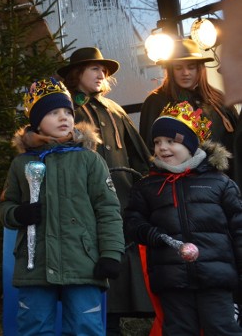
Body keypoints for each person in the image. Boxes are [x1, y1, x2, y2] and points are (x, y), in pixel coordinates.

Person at [0, 77, 124, 336]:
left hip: (83, 262)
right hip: (36, 265)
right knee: (34, 327)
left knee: (84, 327)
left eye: (67, 111)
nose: (63, 117)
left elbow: (108, 210)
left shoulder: (90, 161)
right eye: (53, 112)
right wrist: (18, 213)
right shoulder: (22, 164)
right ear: (37, 121)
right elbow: (5, 207)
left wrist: (111, 253)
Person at [57, 47, 154, 331]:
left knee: (121, 271)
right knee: (96, 270)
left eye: (104, 71)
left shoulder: (115, 109)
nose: (101, 74)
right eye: (93, 69)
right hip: (86, 205)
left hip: (122, 204)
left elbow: (139, 156)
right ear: (77, 74)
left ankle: (117, 325)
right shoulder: (67, 110)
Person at [125, 101, 242, 335]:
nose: (162, 148)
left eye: (171, 141)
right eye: (157, 142)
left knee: (222, 328)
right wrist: (149, 233)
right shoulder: (147, 187)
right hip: (172, 279)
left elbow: (238, 228)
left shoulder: (219, 183)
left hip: (215, 278)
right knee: (179, 330)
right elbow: (132, 222)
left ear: (190, 144)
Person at [139, 38, 241, 184]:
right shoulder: (157, 101)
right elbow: (149, 150)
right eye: (178, 67)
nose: (185, 73)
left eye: (191, 67)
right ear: (170, 69)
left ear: (200, 68)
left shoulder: (218, 99)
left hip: (227, 182)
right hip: (182, 186)